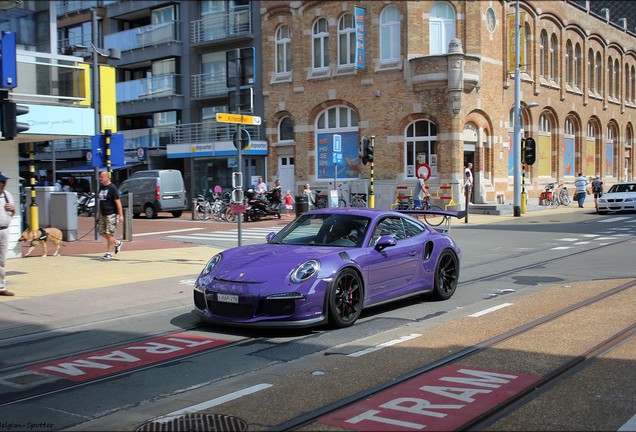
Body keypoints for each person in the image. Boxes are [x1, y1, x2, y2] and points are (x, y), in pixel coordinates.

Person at [97, 171, 123, 260]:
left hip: (111, 213)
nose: (100, 178)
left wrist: (120, 215)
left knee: (109, 233)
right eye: (100, 177)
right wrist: (99, 214)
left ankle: (108, 253)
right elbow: (101, 202)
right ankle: (117, 243)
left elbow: (118, 202)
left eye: (101, 177)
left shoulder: (112, 188)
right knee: (102, 232)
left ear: (107, 177)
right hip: (103, 214)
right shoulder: (101, 187)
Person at [0, 172, 16, 296]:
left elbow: (13, 212)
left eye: (4, 182)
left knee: (1, 260)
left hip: (5, 230)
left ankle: (1, 287)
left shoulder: (7, 195)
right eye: (1, 182)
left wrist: (13, 209)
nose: (3, 185)